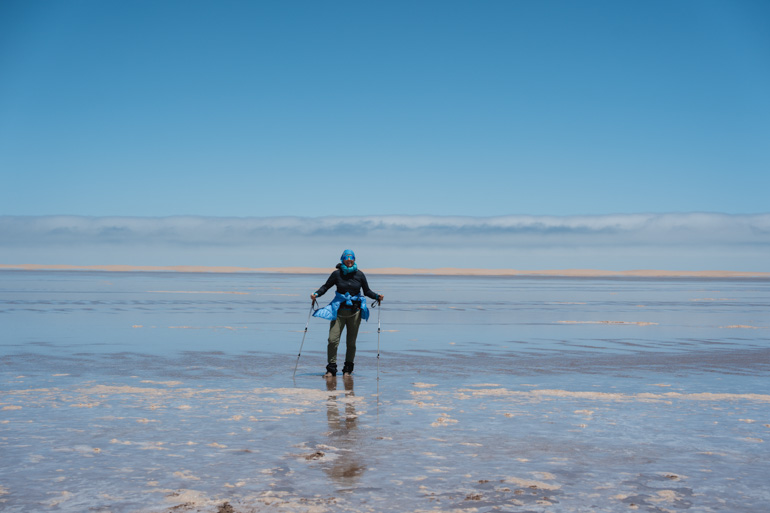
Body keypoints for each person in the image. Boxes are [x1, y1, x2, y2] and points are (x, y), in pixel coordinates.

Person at [311, 250, 383, 377]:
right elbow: (325, 287)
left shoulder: (359, 274)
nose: (349, 260)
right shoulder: (336, 274)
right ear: (342, 259)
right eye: (347, 258)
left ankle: (348, 370)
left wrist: (377, 296)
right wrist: (316, 294)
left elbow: (366, 291)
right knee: (332, 340)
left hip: (355, 313)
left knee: (351, 343)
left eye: (351, 258)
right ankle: (331, 369)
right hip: (338, 312)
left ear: (354, 260)